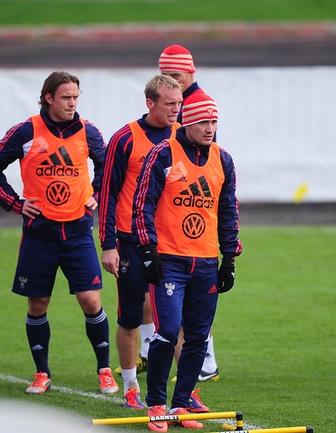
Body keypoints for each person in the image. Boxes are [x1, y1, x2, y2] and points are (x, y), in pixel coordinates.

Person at [0, 71, 118, 395]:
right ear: (48, 98)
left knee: (90, 301)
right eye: (66, 97)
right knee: (38, 304)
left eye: (76, 97)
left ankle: (104, 370)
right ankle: (42, 372)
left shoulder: (88, 131)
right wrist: (15, 203)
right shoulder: (26, 131)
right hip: (39, 235)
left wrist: (96, 193)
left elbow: (109, 166)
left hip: (78, 233)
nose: (72, 103)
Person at [133, 92, 242, 431]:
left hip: (206, 263)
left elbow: (229, 211)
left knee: (197, 337)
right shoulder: (163, 153)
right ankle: (156, 404)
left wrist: (229, 258)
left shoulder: (223, 160)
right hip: (170, 261)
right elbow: (143, 204)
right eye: (203, 122)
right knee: (167, 331)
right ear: (188, 123)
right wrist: (148, 251)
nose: (210, 128)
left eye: (214, 122)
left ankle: (180, 405)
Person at [98, 75, 184, 409]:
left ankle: (185, 391)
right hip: (131, 242)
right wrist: (108, 244)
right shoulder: (125, 138)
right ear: (150, 103)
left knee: (178, 319)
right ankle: (131, 385)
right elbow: (108, 193)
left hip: (172, 243)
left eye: (179, 103)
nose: (176, 110)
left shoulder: (184, 136)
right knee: (130, 316)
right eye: (169, 104)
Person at [158, 43, 220, 382]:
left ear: (191, 71)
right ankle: (190, 358)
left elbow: (203, 156)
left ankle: (203, 361)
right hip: (180, 214)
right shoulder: (177, 99)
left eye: (176, 74)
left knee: (188, 303)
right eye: (166, 75)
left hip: (188, 215)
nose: (172, 81)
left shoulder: (195, 104)